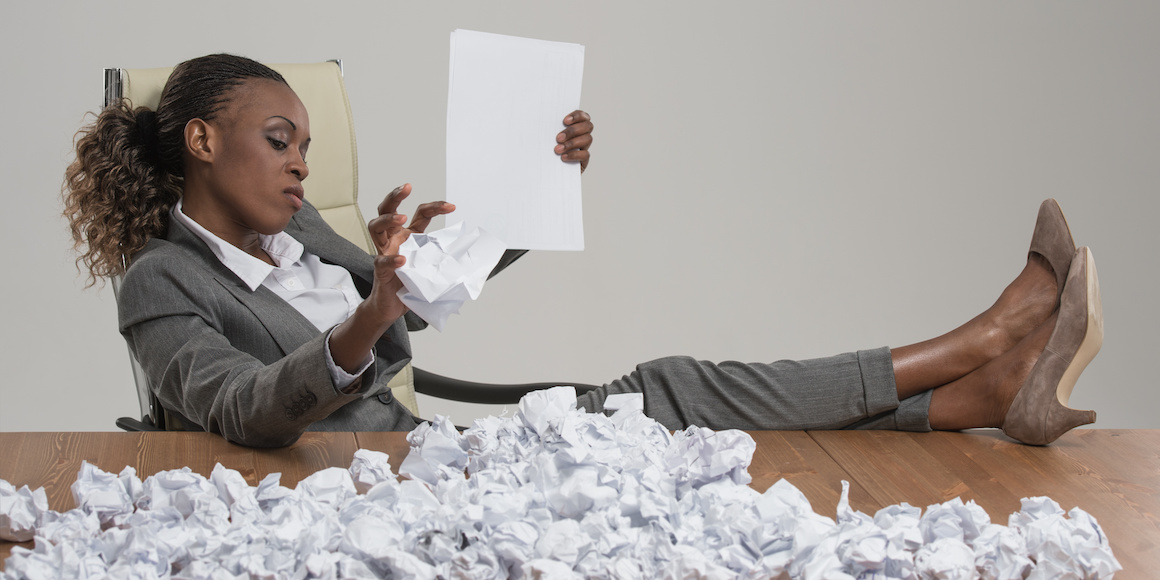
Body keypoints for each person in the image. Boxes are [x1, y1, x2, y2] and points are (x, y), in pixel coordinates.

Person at [64, 54, 1101, 448]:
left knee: (671, 388)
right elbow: (247, 412)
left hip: (417, 454)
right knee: (674, 390)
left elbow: (430, 288)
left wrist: (539, 178)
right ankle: (988, 339)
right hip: (365, 483)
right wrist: (375, 311)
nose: (299, 169)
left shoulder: (293, 231)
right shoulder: (159, 286)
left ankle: (981, 386)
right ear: (200, 141)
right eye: (280, 142)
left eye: (306, 146)